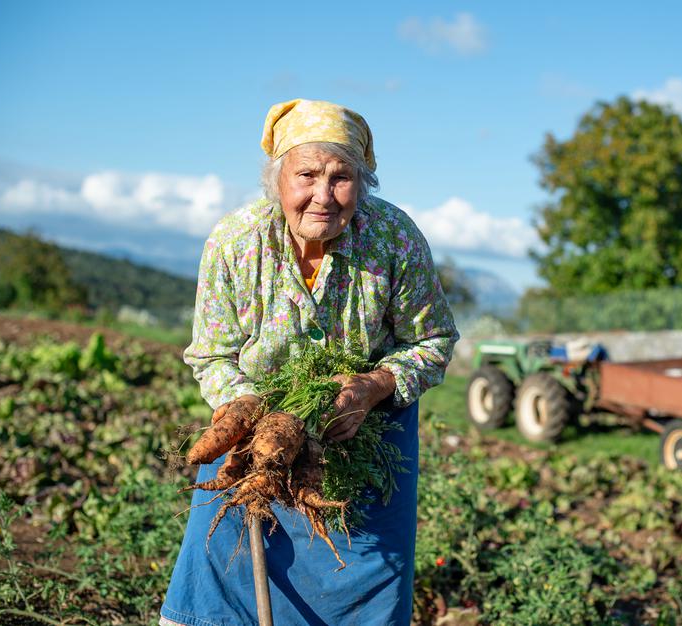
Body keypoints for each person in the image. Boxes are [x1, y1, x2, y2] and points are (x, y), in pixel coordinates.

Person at [159, 98, 459, 625]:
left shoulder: (394, 239)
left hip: (362, 436)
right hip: (251, 434)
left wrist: (371, 386)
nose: (323, 195)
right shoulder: (234, 242)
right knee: (223, 573)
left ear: (362, 186)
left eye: (341, 178)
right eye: (306, 175)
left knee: (363, 572)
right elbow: (211, 353)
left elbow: (433, 340)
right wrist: (247, 411)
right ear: (277, 179)